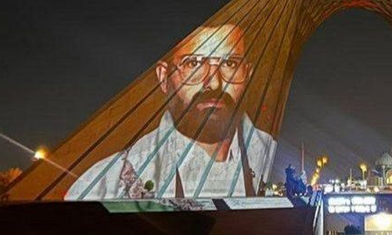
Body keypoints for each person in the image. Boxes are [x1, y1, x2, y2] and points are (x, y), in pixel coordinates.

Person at [66, 24, 275, 200]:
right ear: (164, 77)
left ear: (247, 74)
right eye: (193, 64)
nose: (213, 82)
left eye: (229, 64)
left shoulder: (276, 163)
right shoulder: (103, 187)